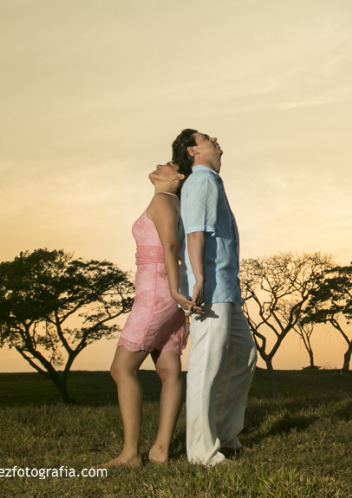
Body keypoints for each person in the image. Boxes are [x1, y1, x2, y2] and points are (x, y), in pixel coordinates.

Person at [98, 161, 196, 467]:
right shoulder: (173, 203)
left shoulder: (163, 200)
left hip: (157, 291)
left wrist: (174, 292)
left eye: (169, 164)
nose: (160, 164)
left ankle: (130, 454)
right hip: (166, 291)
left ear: (179, 177)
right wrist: (178, 294)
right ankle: (160, 451)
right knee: (169, 370)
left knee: (121, 368)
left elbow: (169, 246)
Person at [172, 128, 257, 467]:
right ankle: (201, 452)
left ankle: (223, 433)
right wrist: (200, 279)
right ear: (193, 151)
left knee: (244, 356)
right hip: (211, 290)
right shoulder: (202, 180)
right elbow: (195, 231)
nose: (215, 139)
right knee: (206, 367)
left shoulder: (210, 181)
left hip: (226, 289)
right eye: (207, 137)